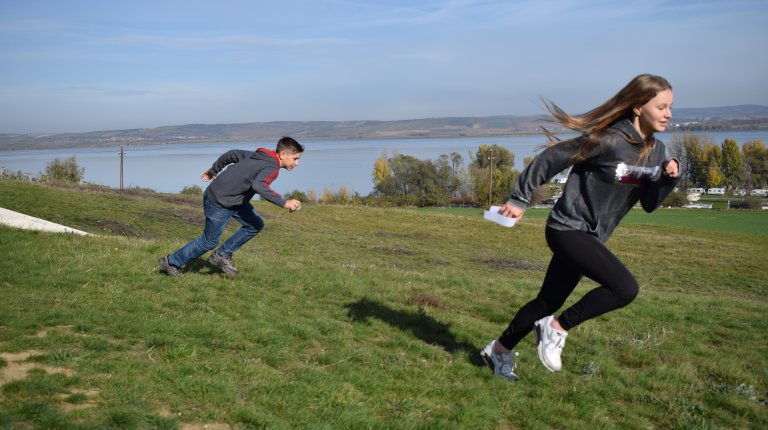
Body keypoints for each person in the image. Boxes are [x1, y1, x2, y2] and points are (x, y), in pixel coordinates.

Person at [480, 74, 680, 381]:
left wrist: (668, 179)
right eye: (662, 107)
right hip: (567, 228)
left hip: (592, 237)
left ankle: (498, 351)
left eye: (670, 108)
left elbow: (650, 203)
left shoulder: (657, 151)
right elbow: (552, 158)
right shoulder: (608, 139)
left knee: (547, 302)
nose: (668, 114)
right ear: (639, 107)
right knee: (625, 288)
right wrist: (520, 198)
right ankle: (556, 328)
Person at [158, 136, 304, 276]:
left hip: (232, 200)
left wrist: (214, 170)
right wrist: (284, 202)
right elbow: (259, 185)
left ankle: (222, 255)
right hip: (219, 202)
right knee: (209, 241)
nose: (297, 163)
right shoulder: (272, 167)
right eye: (295, 158)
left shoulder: (260, 155)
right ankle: (171, 262)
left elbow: (232, 154)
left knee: (255, 224)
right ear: (283, 154)